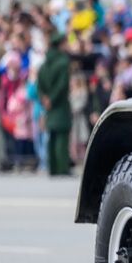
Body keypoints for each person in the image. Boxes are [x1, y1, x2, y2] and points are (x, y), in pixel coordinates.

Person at [36, 31, 73, 176]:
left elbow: (39, 86)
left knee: (51, 135)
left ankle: (52, 168)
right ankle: (62, 168)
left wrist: (44, 99)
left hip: (47, 104)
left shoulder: (44, 64)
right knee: (62, 136)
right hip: (60, 104)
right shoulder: (63, 62)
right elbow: (62, 84)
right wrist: (52, 98)